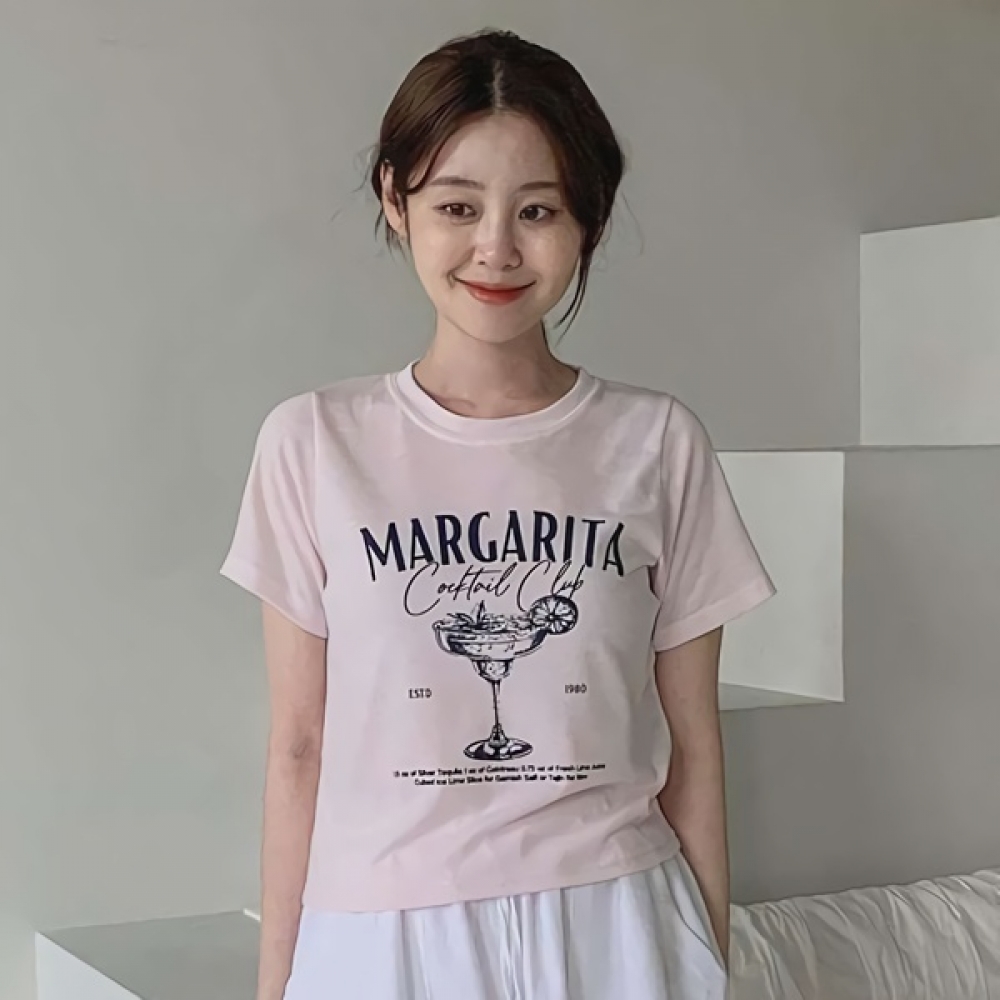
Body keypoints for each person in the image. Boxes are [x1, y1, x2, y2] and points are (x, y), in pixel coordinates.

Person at [220, 27, 776, 1000]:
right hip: (383, 933)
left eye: (538, 210)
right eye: (457, 206)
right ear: (395, 202)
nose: (497, 248)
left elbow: (694, 743)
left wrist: (707, 964)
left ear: (587, 220)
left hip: (615, 920)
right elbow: (298, 745)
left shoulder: (656, 442)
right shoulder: (313, 443)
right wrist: (277, 983)